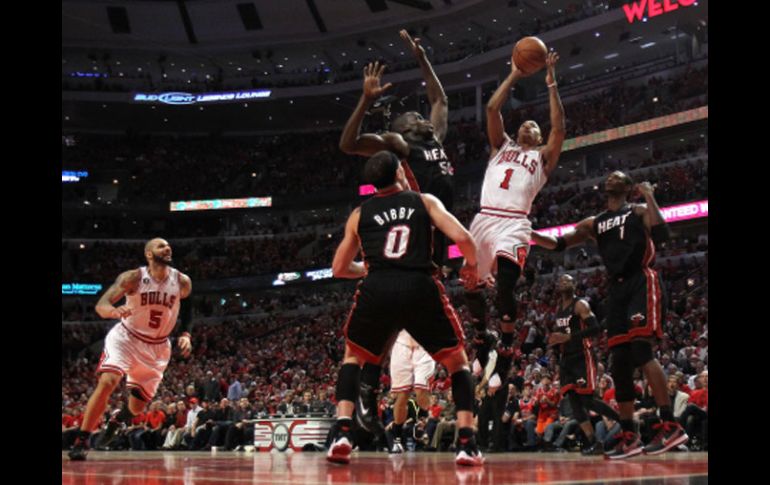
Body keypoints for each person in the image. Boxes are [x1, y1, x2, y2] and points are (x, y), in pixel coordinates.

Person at [326, 151, 483, 466]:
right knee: (457, 363)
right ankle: (466, 444)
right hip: (418, 285)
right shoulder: (423, 201)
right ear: (400, 171)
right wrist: (470, 265)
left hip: (377, 288)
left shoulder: (360, 214)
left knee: (353, 357)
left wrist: (371, 269)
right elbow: (464, 238)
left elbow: (339, 268)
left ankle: (343, 432)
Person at [339, 32, 455, 431]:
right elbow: (350, 143)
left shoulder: (435, 138)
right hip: (414, 232)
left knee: (406, 316)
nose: (421, 117)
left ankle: (371, 383)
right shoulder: (398, 144)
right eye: (412, 117)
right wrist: (366, 101)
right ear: (399, 130)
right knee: (396, 316)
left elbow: (440, 100)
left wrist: (423, 56)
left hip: (435, 236)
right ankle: (369, 384)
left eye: (420, 116)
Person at [531, 172, 688, 458]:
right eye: (608, 177)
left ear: (628, 188)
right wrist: (530, 235)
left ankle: (671, 425)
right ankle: (629, 434)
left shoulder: (637, 210)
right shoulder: (595, 223)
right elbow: (559, 243)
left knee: (642, 351)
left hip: (641, 280)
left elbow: (662, 233)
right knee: (619, 363)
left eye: (618, 177)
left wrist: (649, 194)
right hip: (615, 291)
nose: (610, 178)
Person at [463, 52, 565, 367]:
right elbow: (492, 108)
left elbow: (559, 129)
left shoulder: (542, 158)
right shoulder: (500, 146)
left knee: (506, 283)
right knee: (470, 287)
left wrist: (551, 84)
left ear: (537, 138)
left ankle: (507, 339)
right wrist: (514, 74)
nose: (527, 125)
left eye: (534, 125)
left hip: (514, 223)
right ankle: (481, 335)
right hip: (484, 218)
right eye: (524, 123)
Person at [68, 238, 193, 460]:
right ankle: (82, 438)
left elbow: (188, 308)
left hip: (158, 347)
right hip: (127, 338)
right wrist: (114, 312)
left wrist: (186, 333)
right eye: (160, 246)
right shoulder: (133, 277)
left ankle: (117, 420)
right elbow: (102, 305)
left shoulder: (182, 281)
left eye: (168, 245)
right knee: (108, 381)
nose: (167, 248)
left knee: (137, 407)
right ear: (148, 254)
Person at [547, 274, 620, 455]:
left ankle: (624, 422)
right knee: (574, 402)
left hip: (582, 355)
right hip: (566, 359)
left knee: (587, 400)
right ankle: (594, 442)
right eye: (562, 281)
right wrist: (556, 347)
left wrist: (570, 337)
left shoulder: (580, 305)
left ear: (574, 285)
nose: (564, 283)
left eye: (568, 280)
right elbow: (561, 334)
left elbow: (596, 328)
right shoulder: (559, 309)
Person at [387, 329, 435, 453]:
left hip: (425, 342)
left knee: (420, 392)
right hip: (401, 342)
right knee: (402, 396)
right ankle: (397, 440)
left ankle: (424, 424)